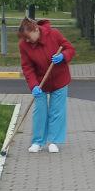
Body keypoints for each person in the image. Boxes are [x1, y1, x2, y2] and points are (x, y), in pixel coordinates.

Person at [18, 17, 76, 153]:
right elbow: (27, 68)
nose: (26, 40)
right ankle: (37, 142)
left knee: (57, 111)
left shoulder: (54, 34)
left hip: (59, 79)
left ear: (36, 30)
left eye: (28, 37)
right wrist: (34, 86)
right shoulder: (23, 45)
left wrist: (63, 56)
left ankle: (54, 141)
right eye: (24, 38)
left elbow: (70, 49)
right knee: (40, 111)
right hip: (40, 82)